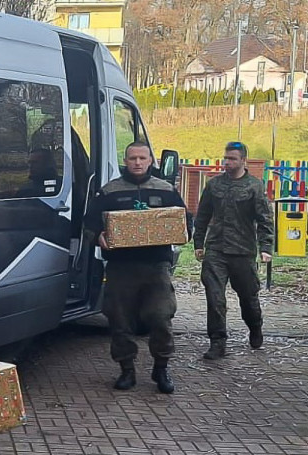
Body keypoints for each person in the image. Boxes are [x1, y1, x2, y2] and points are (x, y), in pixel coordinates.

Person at [88, 141, 188, 394]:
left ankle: (161, 368)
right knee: (120, 320)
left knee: (160, 317)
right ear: (126, 160)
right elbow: (88, 223)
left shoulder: (166, 190)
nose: (137, 162)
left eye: (142, 158)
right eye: (132, 158)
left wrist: (181, 233)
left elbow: (185, 222)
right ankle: (126, 370)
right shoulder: (109, 192)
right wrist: (97, 236)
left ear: (151, 160)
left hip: (156, 266)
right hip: (121, 267)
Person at [194, 141, 275, 359]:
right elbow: (202, 216)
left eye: (232, 159)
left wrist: (265, 247)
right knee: (215, 296)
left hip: (242, 251)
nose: (227, 163)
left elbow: (265, 220)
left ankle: (255, 326)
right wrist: (198, 243)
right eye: (226, 158)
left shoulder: (254, 187)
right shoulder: (214, 185)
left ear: (243, 161)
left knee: (248, 298)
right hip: (216, 250)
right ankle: (217, 341)